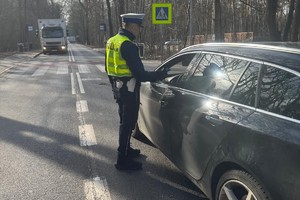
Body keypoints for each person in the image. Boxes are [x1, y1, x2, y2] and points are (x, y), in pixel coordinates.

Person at [105, 13, 168, 171]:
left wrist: (114, 86)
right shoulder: (128, 45)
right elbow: (140, 75)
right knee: (128, 124)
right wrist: (162, 74)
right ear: (132, 26)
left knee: (124, 121)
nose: (139, 30)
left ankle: (127, 150)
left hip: (118, 88)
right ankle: (122, 160)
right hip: (129, 90)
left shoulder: (112, 41)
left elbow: (107, 68)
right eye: (139, 27)